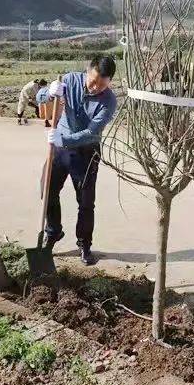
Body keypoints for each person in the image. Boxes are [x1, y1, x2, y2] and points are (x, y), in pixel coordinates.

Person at [40, 55, 117, 265]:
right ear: (87, 71)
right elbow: (40, 98)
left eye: (101, 85)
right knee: (47, 190)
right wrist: (49, 92)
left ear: (109, 82)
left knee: (85, 202)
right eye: (92, 81)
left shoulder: (109, 101)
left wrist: (63, 139)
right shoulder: (70, 80)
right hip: (59, 149)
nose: (94, 88)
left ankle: (84, 244)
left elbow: (92, 132)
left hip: (86, 152)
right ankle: (53, 231)